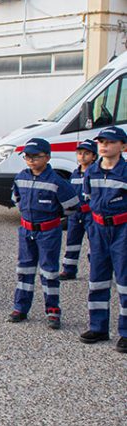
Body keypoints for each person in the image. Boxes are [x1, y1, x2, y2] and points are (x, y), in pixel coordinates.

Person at [9, 138, 79, 328]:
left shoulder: (57, 181)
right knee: (24, 270)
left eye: (36, 156)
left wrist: (51, 217)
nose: (31, 160)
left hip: (48, 231)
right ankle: (20, 308)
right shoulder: (21, 177)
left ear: (47, 157)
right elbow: (16, 198)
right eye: (27, 156)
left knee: (49, 271)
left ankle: (53, 310)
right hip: (26, 230)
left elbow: (72, 206)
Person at [79, 126, 127, 352]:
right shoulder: (91, 172)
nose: (104, 146)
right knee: (97, 279)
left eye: (110, 142)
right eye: (101, 142)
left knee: (124, 282)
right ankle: (98, 327)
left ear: (123, 147)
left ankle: (125, 332)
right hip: (98, 229)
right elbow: (87, 201)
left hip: (122, 229)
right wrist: (92, 227)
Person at [60, 139, 97, 280]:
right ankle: (69, 269)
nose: (82, 156)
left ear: (94, 156)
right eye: (79, 153)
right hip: (75, 215)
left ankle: (96, 270)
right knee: (72, 242)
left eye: (86, 153)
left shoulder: (95, 173)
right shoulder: (75, 174)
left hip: (91, 214)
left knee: (94, 243)